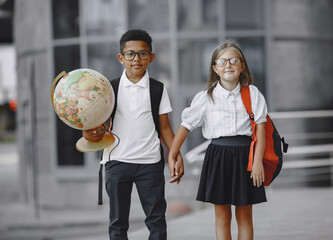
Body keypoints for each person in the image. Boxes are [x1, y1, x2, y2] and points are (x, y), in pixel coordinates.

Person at [83, 29, 184, 240]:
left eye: (142, 53)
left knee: (156, 221)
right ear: (121, 58)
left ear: (151, 57)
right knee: (118, 223)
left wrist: (175, 155)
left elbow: (165, 127)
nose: (136, 59)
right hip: (117, 162)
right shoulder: (109, 89)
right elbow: (96, 125)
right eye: (130, 54)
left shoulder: (158, 89)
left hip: (150, 163)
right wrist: (88, 133)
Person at [168, 40, 267, 240]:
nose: (228, 65)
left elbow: (261, 131)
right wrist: (172, 154)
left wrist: (257, 163)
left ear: (242, 66)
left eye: (233, 60)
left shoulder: (253, 94)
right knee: (222, 217)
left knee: (244, 217)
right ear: (215, 68)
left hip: (245, 158)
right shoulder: (205, 97)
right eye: (221, 61)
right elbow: (185, 126)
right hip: (217, 158)